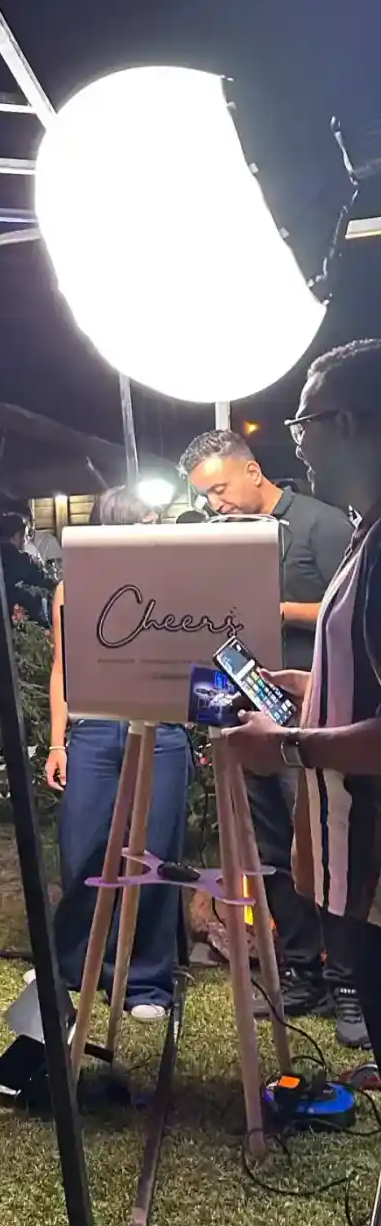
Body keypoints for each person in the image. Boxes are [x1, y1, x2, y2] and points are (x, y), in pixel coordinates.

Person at [210, 343, 381, 1226]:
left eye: (307, 423)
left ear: (349, 424)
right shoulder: (368, 534)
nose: (298, 443)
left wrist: (289, 746)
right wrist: (303, 686)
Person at [180, 427, 360, 1041]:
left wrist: (275, 610)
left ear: (252, 471)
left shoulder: (321, 524)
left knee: (326, 850)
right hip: (245, 713)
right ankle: (302, 970)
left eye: (219, 488)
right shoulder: (221, 537)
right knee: (273, 853)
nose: (215, 503)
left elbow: (349, 607)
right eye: (205, 496)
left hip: (313, 716)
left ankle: (348, 984)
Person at [45, 486, 190, 1023]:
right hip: (95, 733)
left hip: (162, 731)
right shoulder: (74, 587)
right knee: (84, 849)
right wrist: (57, 741)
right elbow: (63, 668)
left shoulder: (175, 586)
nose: (154, 531)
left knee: (155, 852)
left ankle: (145, 980)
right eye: (145, 522)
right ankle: (74, 967)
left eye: (156, 522)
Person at [0, 510, 54, 626]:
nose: (25, 541)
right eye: (24, 536)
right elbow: (47, 585)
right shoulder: (25, 561)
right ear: (17, 536)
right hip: (21, 626)